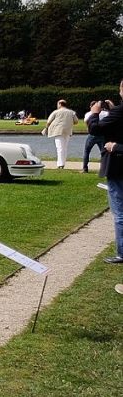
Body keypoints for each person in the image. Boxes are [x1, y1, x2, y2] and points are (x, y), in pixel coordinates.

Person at [87, 79, 123, 264]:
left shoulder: (119, 112)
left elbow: (94, 129)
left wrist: (94, 113)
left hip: (118, 166)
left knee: (119, 211)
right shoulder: (117, 111)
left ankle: (122, 252)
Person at [42, 99, 78, 169]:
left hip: (58, 131)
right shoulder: (71, 112)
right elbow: (76, 121)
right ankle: (62, 163)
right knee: (64, 148)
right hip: (67, 131)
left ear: (60, 104)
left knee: (60, 148)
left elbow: (49, 121)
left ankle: (60, 164)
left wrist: (46, 128)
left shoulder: (56, 112)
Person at [82, 100, 108, 173]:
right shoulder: (105, 113)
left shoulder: (89, 114)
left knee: (87, 151)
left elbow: (87, 123)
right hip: (102, 135)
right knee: (103, 153)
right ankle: (103, 169)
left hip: (92, 135)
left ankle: (85, 168)